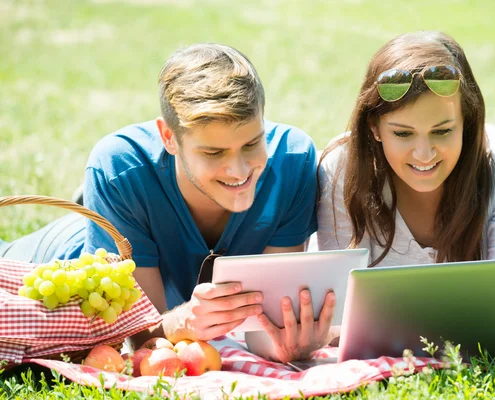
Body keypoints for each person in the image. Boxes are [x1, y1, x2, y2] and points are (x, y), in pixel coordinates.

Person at [0, 43, 337, 363]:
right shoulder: (118, 165)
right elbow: (133, 334)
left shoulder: (292, 160)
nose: (239, 170)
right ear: (168, 138)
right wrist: (182, 322)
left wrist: (292, 340)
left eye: (251, 143)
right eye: (213, 152)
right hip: (57, 263)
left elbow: (269, 323)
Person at [317, 31, 495, 266]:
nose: (424, 154)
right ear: (374, 128)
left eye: (442, 131)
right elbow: (343, 296)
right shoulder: (343, 168)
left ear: (466, 121)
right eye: (403, 133)